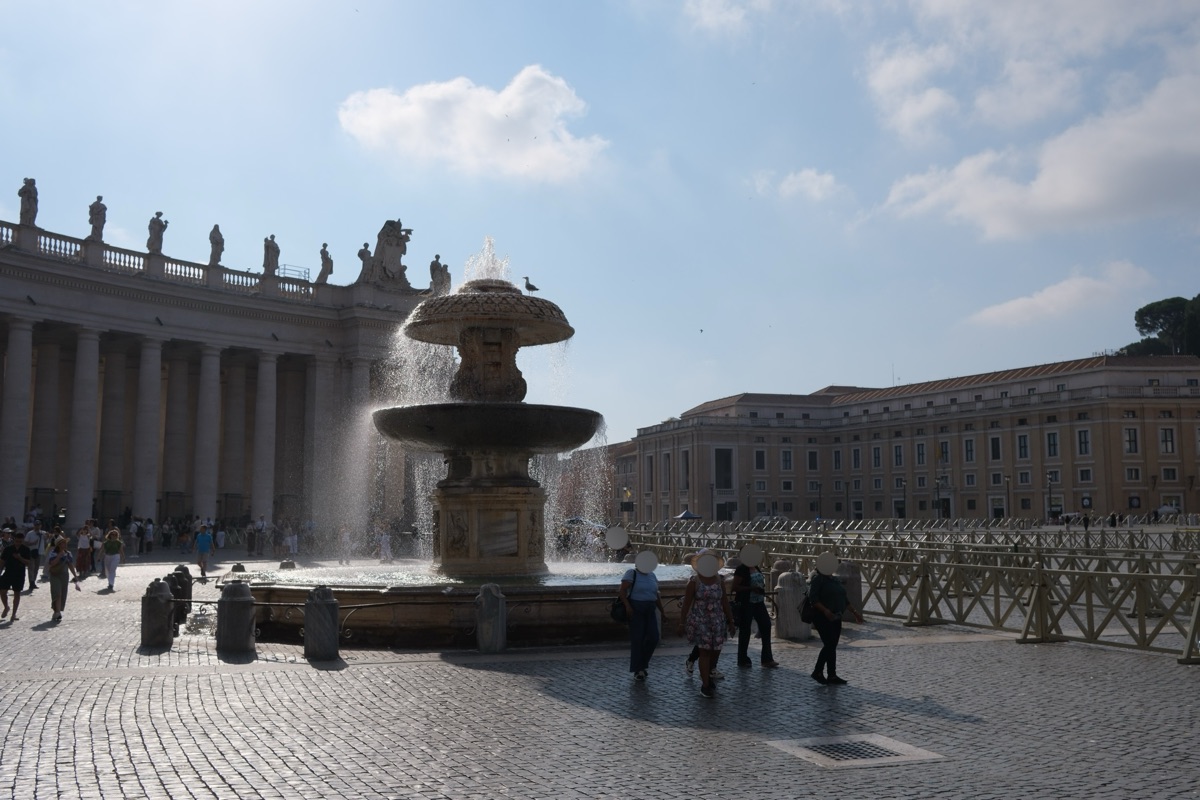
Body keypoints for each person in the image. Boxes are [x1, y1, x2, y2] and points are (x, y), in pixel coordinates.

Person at [679, 550, 734, 698]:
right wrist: (681, 622)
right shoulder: (693, 582)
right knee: (704, 652)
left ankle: (707, 675)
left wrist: (731, 621)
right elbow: (686, 604)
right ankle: (705, 685)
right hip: (700, 620)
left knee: (715, 651)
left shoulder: (719, 580)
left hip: (717, 620)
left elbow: (724, 601)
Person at [808, 551, 863, 685]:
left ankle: (832, 675)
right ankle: (818, 671)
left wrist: (855, 613)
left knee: (832, 646)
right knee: (829, 644)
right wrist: (826, 611)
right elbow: (813, 598)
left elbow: (844, 599)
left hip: (836, 616)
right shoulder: (817, 578)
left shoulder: (834, 579)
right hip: (822, 617)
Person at [730, 544, 778, 669]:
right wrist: (751, 588)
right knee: (745, 631)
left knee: (766, 625)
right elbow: (734, 587)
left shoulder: (756, 566)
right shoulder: (741, 569)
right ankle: (742, 659)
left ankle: (767, 658)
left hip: (759, 602)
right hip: (746, 602)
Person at [619, 551, 663, 681]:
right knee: (637, 639)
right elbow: (622, 590)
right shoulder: (631, 573)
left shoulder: (652, 575)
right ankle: (638, 669)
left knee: (654, 637)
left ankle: (642, 664)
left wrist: (663, 612)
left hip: (650, 609)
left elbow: (656, 595)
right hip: (636, 609)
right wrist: (628, 606)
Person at [1, 528, 32, 621]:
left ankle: (13, 614)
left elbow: (28, 563)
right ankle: (6, 607)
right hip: (8, 572)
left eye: (20, 541)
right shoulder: (8, 549)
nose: (18, 543)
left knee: (17, 593)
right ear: (14, 540)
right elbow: (2, 561)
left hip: (19, 573)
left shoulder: (26, 549)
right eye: (17, 541)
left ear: (22, 541)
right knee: (2, 592)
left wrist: (20, 558)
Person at [45, 536, 79, 622]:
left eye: (65, 543)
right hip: (55, 575)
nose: (65, 544)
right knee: (57, 593)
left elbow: (70, 565)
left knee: (63, 593)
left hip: (64, 575)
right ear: (59, 545)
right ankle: (57, 611)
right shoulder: (53, 553)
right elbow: (52, 563)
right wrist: (59, 556)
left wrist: (75, 575)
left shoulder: (68, 553)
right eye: (63, 543)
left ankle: (57, 612)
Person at [24, 521, 45, 591]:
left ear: (40, 526)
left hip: (39, 553)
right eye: (36, 525)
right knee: (31, 568)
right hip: (31, 552)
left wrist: (48, 535)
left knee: (36, 568)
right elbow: (25, 543)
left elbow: (48, 539)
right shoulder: (30, 533)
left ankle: (33, 581)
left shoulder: (43, 533)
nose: (37, 526)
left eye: (38, 525)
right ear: (34, 526)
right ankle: (31, 582)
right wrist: (32, 543)